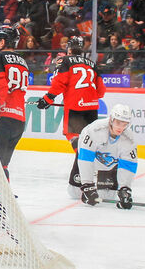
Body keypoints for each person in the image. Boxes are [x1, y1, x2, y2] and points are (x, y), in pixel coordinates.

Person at [37, 36, 105, 198]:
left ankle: (82, 169)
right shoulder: (92, 64)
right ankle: (92, 166)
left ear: (68, 49)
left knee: (74, 137)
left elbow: (59, 82)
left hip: (75, 106)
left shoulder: (66, 61)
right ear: (82, 50)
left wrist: (47, 99)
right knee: (89, 140)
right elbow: (101, 91)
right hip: (92, 107)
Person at [0, 27, 29, 182]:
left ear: (2, 42)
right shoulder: (23, 62)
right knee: (2, 165)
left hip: (1, 118)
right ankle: (4, 197)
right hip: (19, 120)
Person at [77, 104, 137, 208]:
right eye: (118, 122)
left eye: (125, 124)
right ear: (111, 119)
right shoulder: (95, 130)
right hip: (88, 157)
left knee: (107, 196)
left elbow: (128, 165)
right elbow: (85, 157)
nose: (121, 127)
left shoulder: (128, 139)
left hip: (108, 164)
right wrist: (87, 185)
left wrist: (125, 189)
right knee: (74, 192)